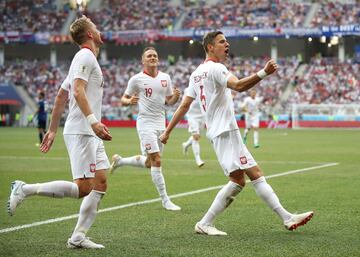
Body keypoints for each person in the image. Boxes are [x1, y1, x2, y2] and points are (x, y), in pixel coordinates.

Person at [160, 31, 313, 236]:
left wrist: (167, 132)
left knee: (241, 179)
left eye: (227, 41)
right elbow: (239, 85)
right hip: (226, 130)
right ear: (210, 47)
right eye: (222, 42)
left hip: (217, 132)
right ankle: (284, 218)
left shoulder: (195, 74)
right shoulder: (216, 68)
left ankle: (284, 217)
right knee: (250, 176)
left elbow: (184, 106)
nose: (227, 44)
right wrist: (263, 72)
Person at [7, 15, 112, 249]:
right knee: (84, 187)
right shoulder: (85, 55)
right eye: (95, 27)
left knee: (101, 182)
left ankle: (77, 237)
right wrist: (94, 121)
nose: (99, 29)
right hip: (83, 130)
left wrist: (52, 129)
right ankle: (24, 189)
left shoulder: (83, 59)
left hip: (88, 132)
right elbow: (76, 90)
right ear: (90, 34)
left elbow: (61, 95)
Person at [110, 46, 181, 211]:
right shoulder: (136, 79)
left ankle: (120, 161)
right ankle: (165, 200)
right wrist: (129, 102)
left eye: (155, 55)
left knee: (150, 163)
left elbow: (168, 101)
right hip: (145, 123)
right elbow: (123, 98)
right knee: (157, 160)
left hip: (160, 124)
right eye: (149, 56)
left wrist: (175, 98)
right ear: (143, 60)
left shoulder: (165, 78)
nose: (152, 58)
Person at [181, 88, 206, 167]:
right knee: (196, 137)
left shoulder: (206, 89)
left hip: (202, 116)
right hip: (192, 116)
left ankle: (185, 145)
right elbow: (184, 103)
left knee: (197, 136)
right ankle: (198, 159)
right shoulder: (188, 90)